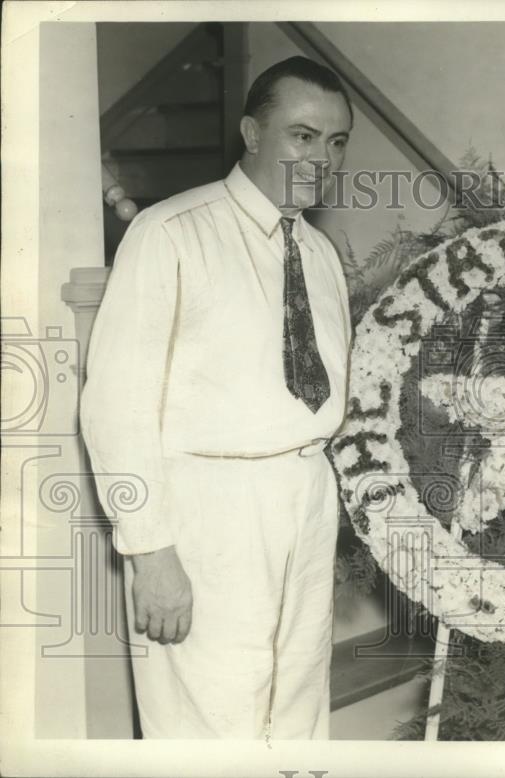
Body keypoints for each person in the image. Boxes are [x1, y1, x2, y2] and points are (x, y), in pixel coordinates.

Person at [81, 56, 354, 739]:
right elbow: (116, 405)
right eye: (303, 135)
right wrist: (150, 552)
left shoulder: (320, 254)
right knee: (209, 726)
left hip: (306, 499)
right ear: (252, 134)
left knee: (295, 714)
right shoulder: (170, 233)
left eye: (337, 140)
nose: (322, 157)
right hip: (209, 511)